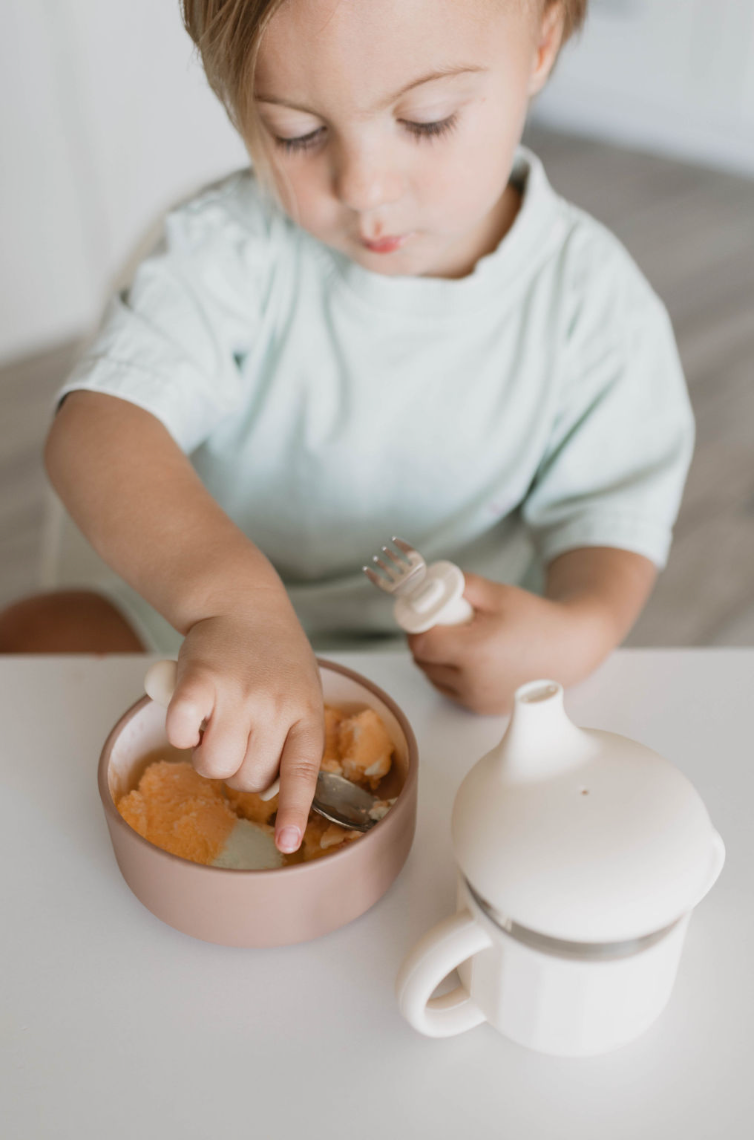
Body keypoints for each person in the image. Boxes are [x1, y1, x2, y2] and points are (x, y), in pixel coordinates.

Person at [0, 0, 693, 855]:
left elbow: (610, 519)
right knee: (35, 641)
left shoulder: (595, 308)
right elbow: (98, 428)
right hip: (196, 628)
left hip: (439, 674)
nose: (362, 186)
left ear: (541, 43)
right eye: (295, 133)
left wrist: (579, 626)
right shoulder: (233, 251)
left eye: (426, 121)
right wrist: (229, 605)